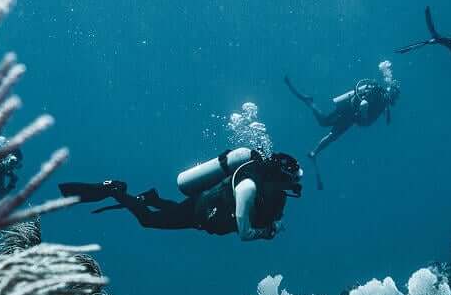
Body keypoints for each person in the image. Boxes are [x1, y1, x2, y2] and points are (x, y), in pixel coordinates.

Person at [58, 148, 302, 241]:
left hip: (205, 207)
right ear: (279, 178)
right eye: (291, 181)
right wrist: (268, 232)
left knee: (176, 212)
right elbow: (244, 232)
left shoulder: (275, 193)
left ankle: (151, 198)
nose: (294, 187)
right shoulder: (248, 187)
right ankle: (114, 189)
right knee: (148, 221)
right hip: (202, 211)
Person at [284, 75, 399, 189]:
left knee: (331, 133)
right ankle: (310, 103)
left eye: (394, 97)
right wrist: (363, 109)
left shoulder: (383, 105)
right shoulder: (378, 93)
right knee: (324, 123)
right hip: (348, 109)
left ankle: (314, 152)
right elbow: (363, 102)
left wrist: (367, 114)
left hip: (352, 118)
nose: (392, 98)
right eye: (393, 95)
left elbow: (369, 119)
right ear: (389, 91)